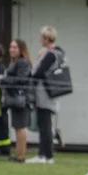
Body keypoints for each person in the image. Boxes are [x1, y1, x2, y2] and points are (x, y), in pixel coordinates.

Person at [28, 26, 66, 164]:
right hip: (49, 93)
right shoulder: (57, 54)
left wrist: (34, 68)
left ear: (46, 38)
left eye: (42, 37)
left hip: (44, 93)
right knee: (44, 124)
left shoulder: (50, 54)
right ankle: (43, 154)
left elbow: (38, 72)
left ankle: (46, 155)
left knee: (45, 124)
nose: (40, 40)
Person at [0, 39, 33, 163]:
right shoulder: (15, 62)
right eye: (10, 47)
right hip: (15, 98)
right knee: (17, 126)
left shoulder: (23, 62)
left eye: (15, 47)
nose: (11, 50)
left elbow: (22, 79)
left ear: (21, 50)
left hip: (20, 99)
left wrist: (3, 80)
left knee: (20, 127)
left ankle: (20, 156)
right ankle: (19, 154)